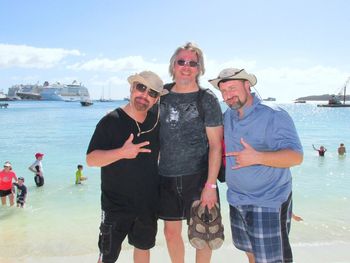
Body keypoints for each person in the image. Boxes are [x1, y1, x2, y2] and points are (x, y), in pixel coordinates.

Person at [209, 68, 303, 263]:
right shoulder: (228, 116)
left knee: (271, 260)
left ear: (247, 85)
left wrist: (258, 157)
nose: (228, 95)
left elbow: (296, 157)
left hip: (268, 200)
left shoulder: (274, 115)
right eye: (224, 91)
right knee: (251, 253)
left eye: (232, 88)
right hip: (237, 200)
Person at [86, 71, 167, 263]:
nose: (144, 95)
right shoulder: (111, 121)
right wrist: (122, 152)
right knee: (107, 256)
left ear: (156, 100)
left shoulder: (156, 120)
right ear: (131, 88)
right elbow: (91, 159)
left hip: (147, 203)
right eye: (141, 87)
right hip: (115, 205)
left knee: (143, 248)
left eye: (152, 93)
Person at [158, 42, 223, 263]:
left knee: (203, 234)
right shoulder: (161, 95)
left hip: (199, 177)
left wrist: (211, 185)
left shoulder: (207, 99)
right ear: (173, 65)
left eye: (192, 63)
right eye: (181, 62)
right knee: (170, 233)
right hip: (165, 176)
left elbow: (216, 145)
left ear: (199, 68)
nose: (186, 67)